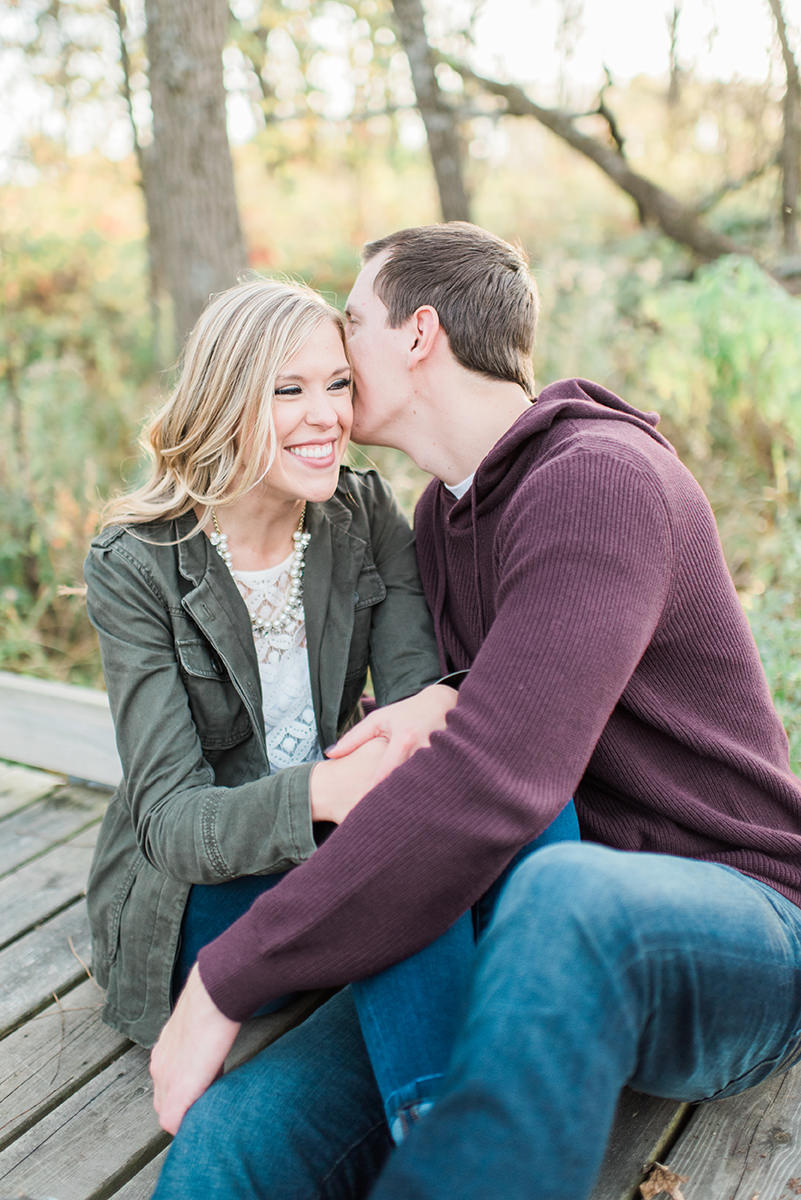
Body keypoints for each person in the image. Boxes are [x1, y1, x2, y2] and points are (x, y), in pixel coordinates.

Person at [150, 223, 801, 1200]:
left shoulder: (597, 480)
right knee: (235, 1140)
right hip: (526, 940)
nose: (334, 341)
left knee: (568, 900)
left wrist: (226, 977)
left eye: (353, 319)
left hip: (728, 932)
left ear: (419, 334)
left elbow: (496, 780)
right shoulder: (443, 517)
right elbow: (504, 712)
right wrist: (435, 700)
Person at [83, 275, 531, 1142]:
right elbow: (171, 823)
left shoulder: (360, 513)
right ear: (226, 398)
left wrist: (382, 773)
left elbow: (413, 709)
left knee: (429, 828)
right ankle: (443, 1130)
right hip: (196, 904)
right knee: (399, 848)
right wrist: (328, 794)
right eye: (288, 390)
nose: (325, 414)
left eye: (336, 384)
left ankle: (434, 1134)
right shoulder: (135, 565)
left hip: (342, 853)